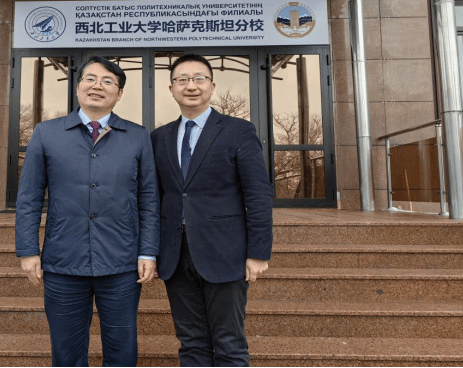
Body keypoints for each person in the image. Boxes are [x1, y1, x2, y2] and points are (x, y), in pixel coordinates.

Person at [15, 56, 160, 367]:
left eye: (108, 81)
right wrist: (28, 250)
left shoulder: (137, 136)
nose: (98, 86)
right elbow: (29, 197)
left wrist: (148, 251)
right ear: (78, 86)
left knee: (122, 350)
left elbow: (149, 198)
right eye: (90, 79)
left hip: (121, 262)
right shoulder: (47, 133)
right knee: (66, 352)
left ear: (119, 93)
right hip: (63, 261)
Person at [150, 54, 273, 367]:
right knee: (191, 343)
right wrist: (150, 251)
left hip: (225, 252)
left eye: (199, 78)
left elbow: (258, 194)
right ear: (171, 88)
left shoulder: (238, 130)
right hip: (175, 255)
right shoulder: (160, 137)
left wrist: (258, 252)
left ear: (212, 86)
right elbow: (156, 198)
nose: (191, 86)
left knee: (229, 343)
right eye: (182, 80)